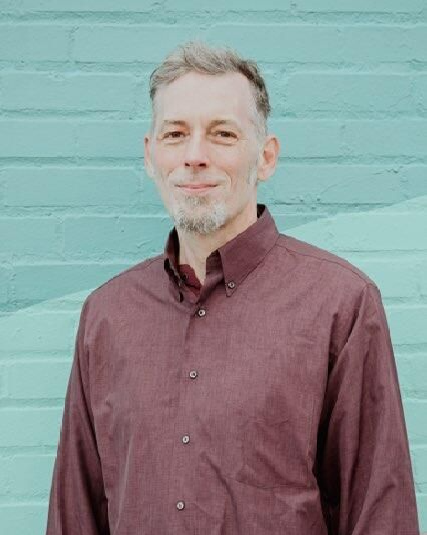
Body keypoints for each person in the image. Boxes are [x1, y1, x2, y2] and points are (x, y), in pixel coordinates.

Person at [45, 40, 420, 535]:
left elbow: (380, 512)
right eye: (176, 134)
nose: (194, 156)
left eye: (222, 134)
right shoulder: (106, 315)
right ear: (150, 155)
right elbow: (75, 513)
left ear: (266, 157)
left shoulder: (340, 304)